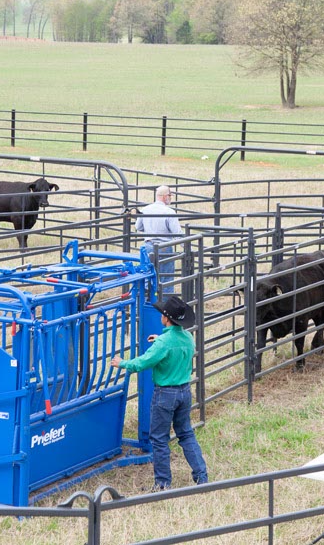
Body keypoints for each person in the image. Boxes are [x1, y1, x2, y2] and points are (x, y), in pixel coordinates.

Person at [112, 295, 208, 491]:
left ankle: (163, 483)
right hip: (184, 392)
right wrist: (160, 340)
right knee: (186, 433)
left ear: (166, 318)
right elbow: (173, 346)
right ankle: (201, 475)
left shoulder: (163, 343)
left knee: (159, 438)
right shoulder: (188, 338)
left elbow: (143, 363)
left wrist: (122, 363)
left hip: (165, 394)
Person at [136, 185, 182, 292]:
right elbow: (177, 233)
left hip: (148, 246)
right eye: (170, 195)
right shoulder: (169, 212)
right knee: (166, 279)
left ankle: (146, 303)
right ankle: (164, 306)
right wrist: (186, 246)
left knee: (148, 276)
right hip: (164, 247)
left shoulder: (145, 210)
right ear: (165, 196)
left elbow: (138, 227)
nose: (170, 198)